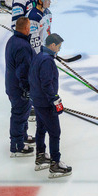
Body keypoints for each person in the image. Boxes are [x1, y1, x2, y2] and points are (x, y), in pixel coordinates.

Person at [31, 33, 71, 177]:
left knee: (41, 128)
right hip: (46, 103)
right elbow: (47, 83)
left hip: (38, 101)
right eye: (58, 47)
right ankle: (55, 163)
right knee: (55, 132)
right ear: (52, 45)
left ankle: (41, 156)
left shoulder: (39, 55)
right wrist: (55, 100)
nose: (59, 50)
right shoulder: (47, 61)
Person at [5, 17, 35, 157]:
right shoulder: (22, 46)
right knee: (19, 114)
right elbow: (23, 72)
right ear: (26, 29)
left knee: (24, 112)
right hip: (18, 88)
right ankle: (17, 146)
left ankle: (22, 136)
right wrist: (27, 89)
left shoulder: (13, 40)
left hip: (13, 85)